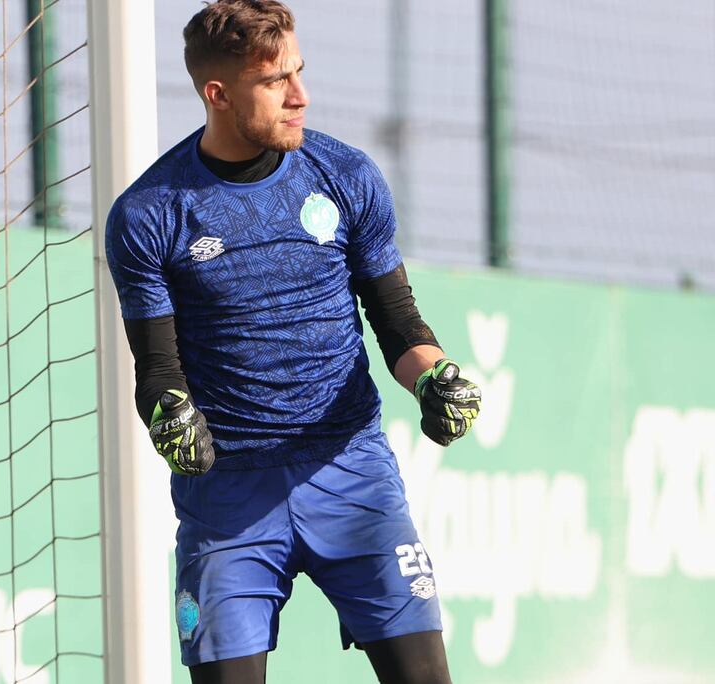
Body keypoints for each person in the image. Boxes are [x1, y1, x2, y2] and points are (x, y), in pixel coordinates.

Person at [105, 2, 480, 681]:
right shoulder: (148, 213)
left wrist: (435, 379)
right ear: (218, 94)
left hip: (353, 475)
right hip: (228, 501)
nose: (300, 96)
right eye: (276, 80)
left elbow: (399, 326)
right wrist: (170, 417)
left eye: (298, 72)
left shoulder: (347, 175)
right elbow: (157, 370)